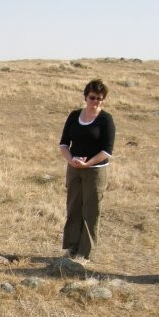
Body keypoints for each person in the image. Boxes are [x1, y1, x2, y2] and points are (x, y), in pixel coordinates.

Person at [58, 79, 116, 263]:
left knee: (91, 210)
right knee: (73, 207)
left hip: (95, 171)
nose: (95, 101)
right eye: (92, 97)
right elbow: (64, 143)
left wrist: (88, 163)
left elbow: (107, 150)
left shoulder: (106, 120)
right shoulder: (74, 116)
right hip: (74, 169)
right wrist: (71, 160)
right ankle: (71, 247)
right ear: (85, 96)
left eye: (99, 98)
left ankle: (85, 253)